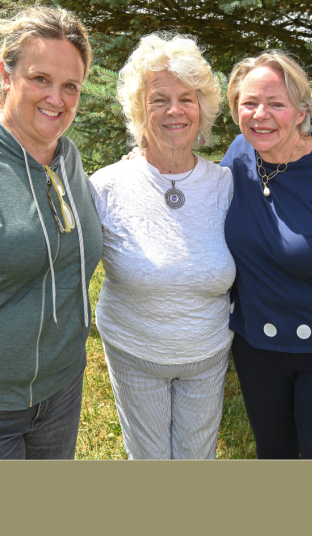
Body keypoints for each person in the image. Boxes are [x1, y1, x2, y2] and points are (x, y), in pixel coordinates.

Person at [90, 33, 233, 459]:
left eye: (187, 98)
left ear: (202, 108)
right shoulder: (106, 186)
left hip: (208, 355)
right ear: (140, 110)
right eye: (159, 100)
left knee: (197, 464)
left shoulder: (226, 186)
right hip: (134, 353)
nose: (175, 110)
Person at [0, 7, 102, 459]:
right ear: (6, 75)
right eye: (40, 78)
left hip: (62, 388)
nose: (56, 99)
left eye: (70, 86)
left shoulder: (69, 159)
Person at [221, 50, 312, 459]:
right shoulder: (238, 154)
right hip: (255, 343)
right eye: (249, 103)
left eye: (276, 104)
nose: (261, 114)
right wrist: (145, 160)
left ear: (300, 112)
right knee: (275, 457)